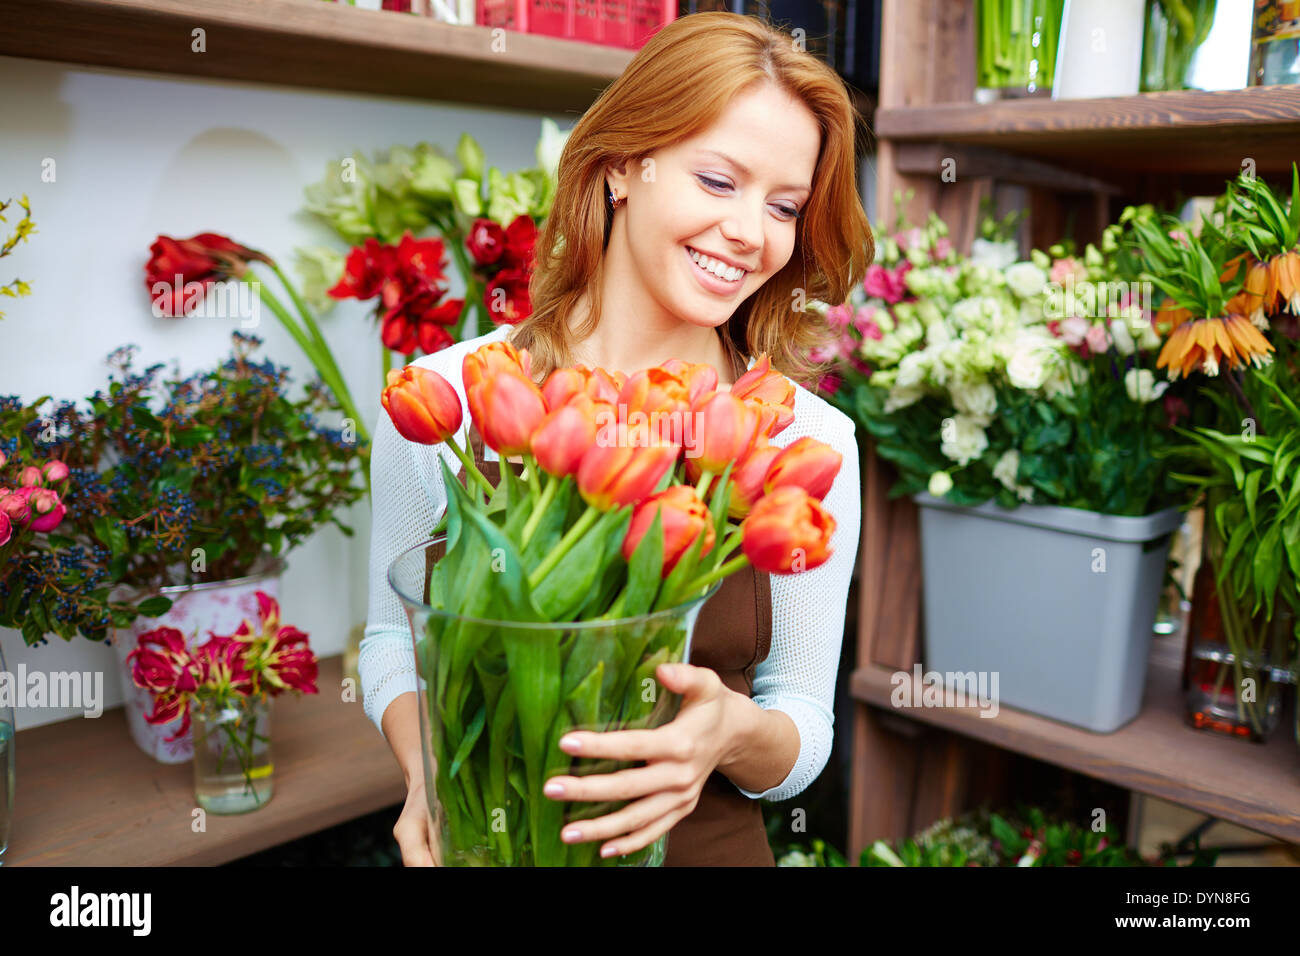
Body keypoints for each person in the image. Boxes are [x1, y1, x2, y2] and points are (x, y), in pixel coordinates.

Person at [360, 10, 872, 866]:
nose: (751, 233)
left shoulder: (805, 438)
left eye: (784, 206)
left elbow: (802, 729)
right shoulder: (454, 393)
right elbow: (389, 642)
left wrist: (731, 731)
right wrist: (430, 782)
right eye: (718, 182)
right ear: (626, 164)